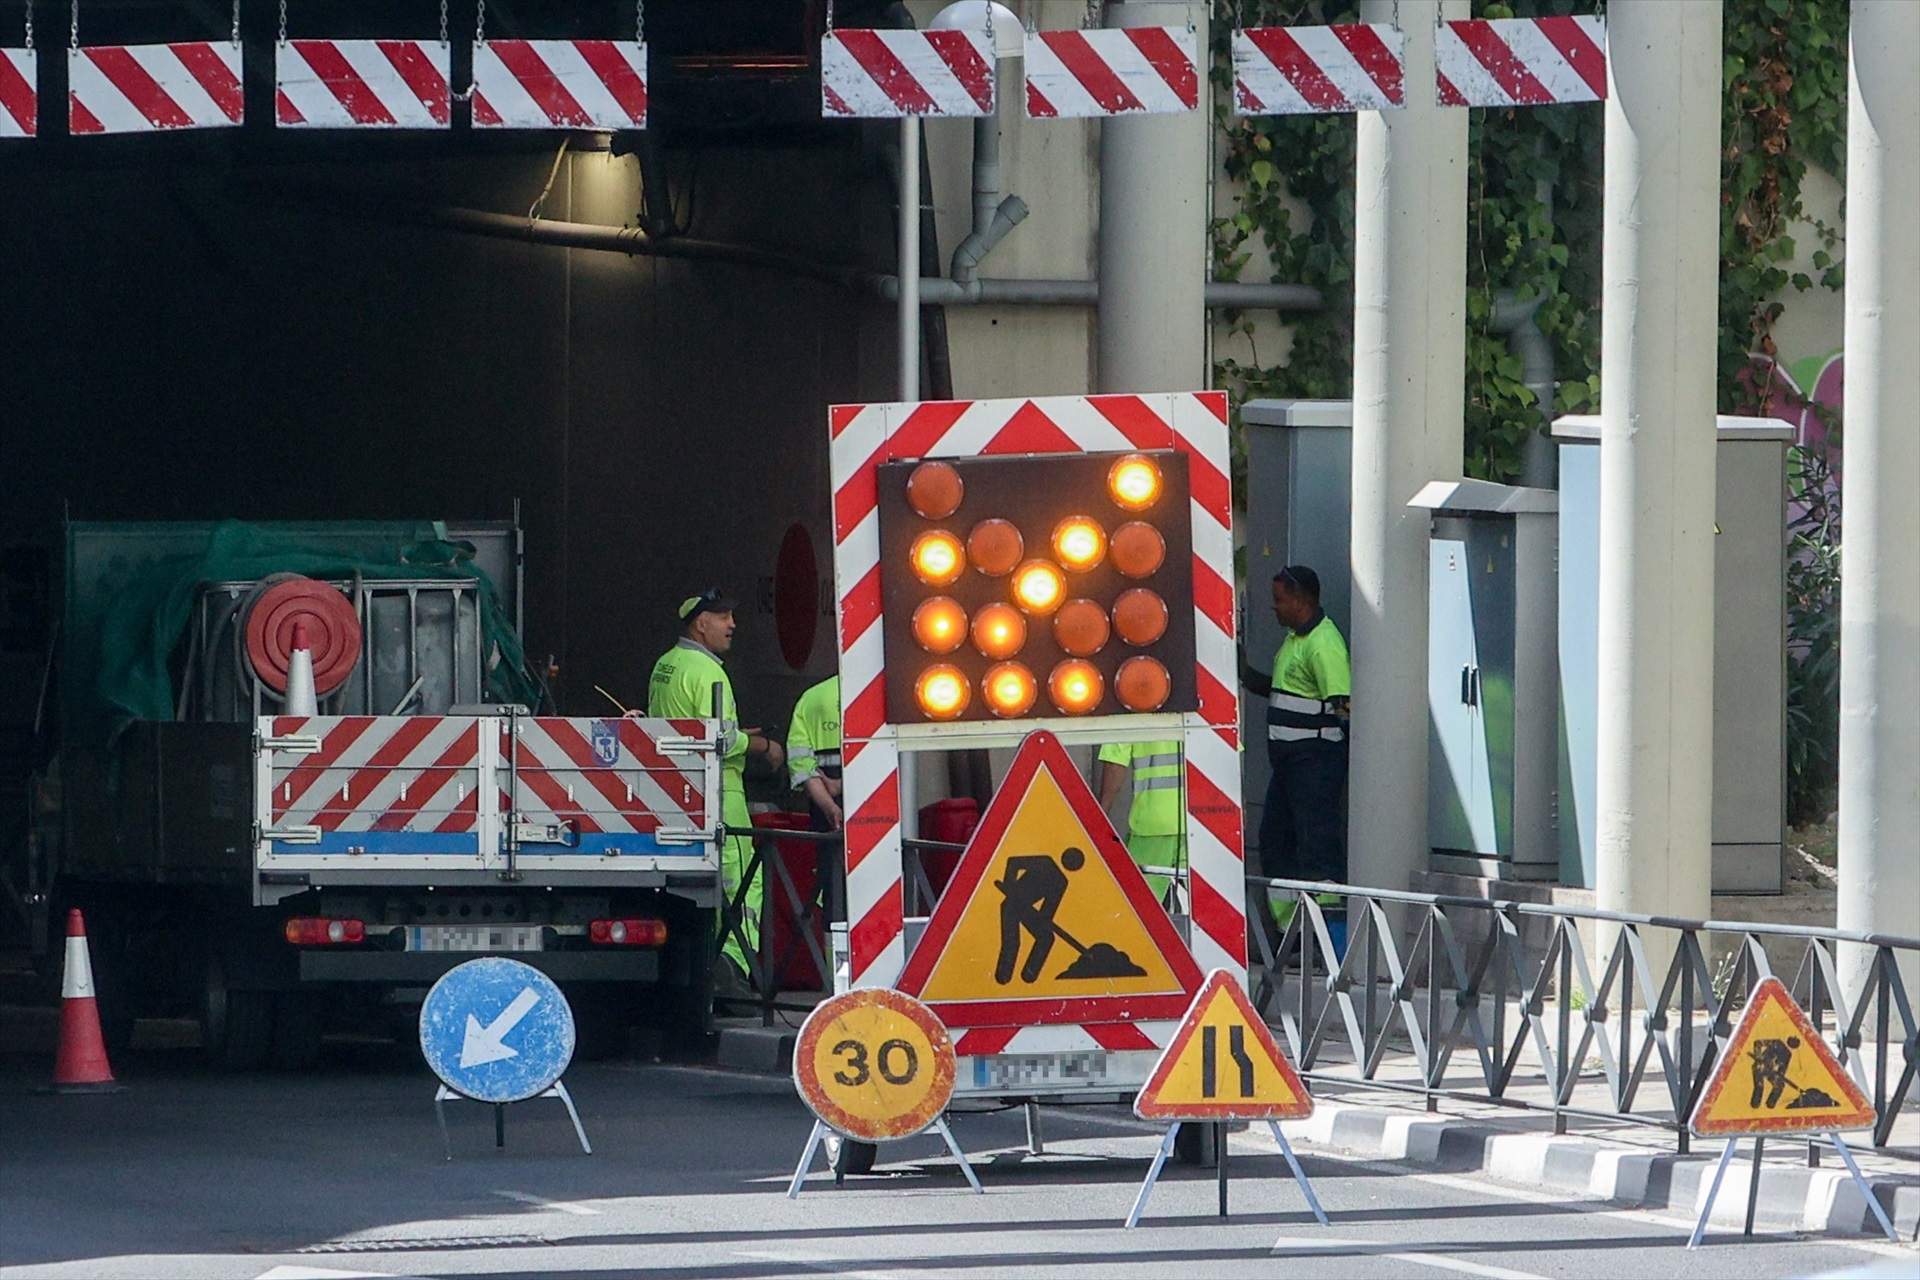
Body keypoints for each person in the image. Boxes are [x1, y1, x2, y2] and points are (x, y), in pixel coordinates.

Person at [646, 588, 784, 993]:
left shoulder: (666, 665)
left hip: (678, 793)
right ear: (700, 623)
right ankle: (733, 964)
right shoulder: (707, 672)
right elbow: (719, 739)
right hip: (721, 793)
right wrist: (762, 746)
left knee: (694, 885)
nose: (732, 625)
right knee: (742, 881)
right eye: (723, 617)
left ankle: (703, 966)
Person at [1242, 565, 1350, 899]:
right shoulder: (1295, 639)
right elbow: (1283, 693)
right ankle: (1291, 926)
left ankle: (1327, 930)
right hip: (1291, 765)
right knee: (1276, 843)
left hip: (1314, 763)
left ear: (1300, 601)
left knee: (1316, 845)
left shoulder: (1323, 644)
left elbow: (1343, 707)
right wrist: (1242, 671)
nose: (1274, 607)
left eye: (1279, 599)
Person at [1095, 740, 1184, 904]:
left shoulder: (1132, 712)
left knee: (1136, 908)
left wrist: (1100, 814)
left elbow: (1115, 763)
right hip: (1204, 825)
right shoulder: (1215, 712)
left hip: (1153, 824)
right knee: (1211, 908)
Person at [786, 674, 843, 832]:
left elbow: (800, 763)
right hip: (874, 800)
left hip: (824, 799)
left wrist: (829, 806)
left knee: (831, 854)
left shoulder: (811, 697)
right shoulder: (880, 693)